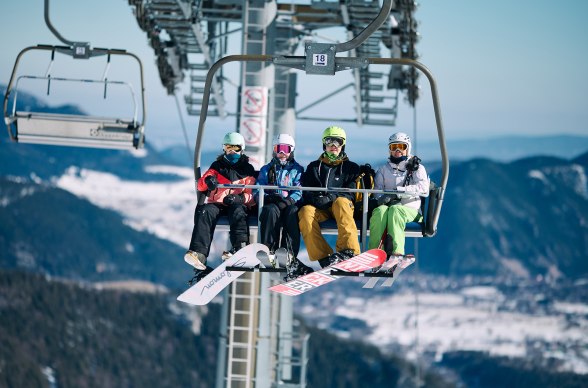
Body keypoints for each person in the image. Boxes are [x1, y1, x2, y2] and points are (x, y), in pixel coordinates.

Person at [184, 132, 256, 273]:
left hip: (236, 204)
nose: (231, 152)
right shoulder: (217, 166)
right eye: (228, 148)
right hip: (217, 203)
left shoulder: (247, 170)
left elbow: (251, 195)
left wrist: (239, 199)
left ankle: (239, 248)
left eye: (235, 148)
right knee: (205, 211)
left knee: (238, 212)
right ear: (224, 149)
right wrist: (208, 181)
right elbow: (201, 185)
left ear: (242, 149)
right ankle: (199, 252)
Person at [298, 126, 361, 268]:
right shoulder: (314, 167)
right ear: (323, 144)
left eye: (337, 142)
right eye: (329, 141)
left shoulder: (351, 168)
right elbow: (306, 190)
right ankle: (324, 257)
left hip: (343, 207)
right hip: (322, 210)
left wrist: (331, 198)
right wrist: (315, 200)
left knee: (341, 202)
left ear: (343, 145)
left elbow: (350, 192)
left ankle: (348, 251)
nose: (333, 146)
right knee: (306, 212)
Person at [256, 133, 311, 278]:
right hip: (273, 204)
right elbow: (258, 189)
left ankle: (289, 252)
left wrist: (288, 201)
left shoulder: (296, 170)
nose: (281, 153)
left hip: (289, 205)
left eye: (285, 149)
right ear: (274, 150)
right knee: (269, 210)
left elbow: (299, 190)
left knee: (293, 212)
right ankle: (270, 249)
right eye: (278, 149)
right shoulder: (266, 169)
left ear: (291, 151)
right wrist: (268, 197)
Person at [368, 132, 429, 257]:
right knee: (379, 212)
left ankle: (396, 252)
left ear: (408, 148)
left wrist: (397, 193)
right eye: (393, 147)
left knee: (396, 210)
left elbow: (423, 188)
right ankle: (375, 253)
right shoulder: (383, 170)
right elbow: (377, 191)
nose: (397, 150)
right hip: (388, 207)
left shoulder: (416, 168)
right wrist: (381, 200)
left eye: (401, 147)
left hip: (411, 210)